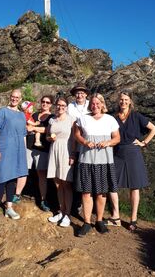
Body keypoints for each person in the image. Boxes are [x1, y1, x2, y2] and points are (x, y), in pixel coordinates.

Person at [74, 93, 120, 236]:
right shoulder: (83, 118)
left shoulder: (110, 119)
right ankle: (87, 222)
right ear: (90, 105)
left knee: (101, 192)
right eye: (93, 103)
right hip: (86, 160)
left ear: (102, 104)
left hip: (104, 161)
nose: (95, 106)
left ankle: (99, 221)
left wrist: (108, 142)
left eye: (97, 103)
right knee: (86, 192)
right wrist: (85, 142)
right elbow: (76, 134)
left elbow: (117, 138)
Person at [111, 89, 155, 231]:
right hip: (117, 152)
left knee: (134, 186)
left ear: (130, 101)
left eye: (126, 99)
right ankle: (116, 216)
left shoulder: (137, 116)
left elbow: (153, 129)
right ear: (118, 101)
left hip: (133, 152)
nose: (123, 102)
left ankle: (133, 219)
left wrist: (144, 143)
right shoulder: (113, 117)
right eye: (121, 99)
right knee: (112, 184)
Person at [0, 89, 28, 219]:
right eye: (13, 96)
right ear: (9, 97)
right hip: (5, 150)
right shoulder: (3, 111)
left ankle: (9, 208)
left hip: (18, 151)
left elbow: (23, 135)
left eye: (17, 97)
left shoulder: (22, 115)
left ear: (20, 99)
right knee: (2, 178)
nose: (14, 99)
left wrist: (24, 152)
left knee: (12, 179)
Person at [14, 95, 54, 211]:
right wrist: (29, 127)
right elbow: (26, 125)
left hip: (42, 149)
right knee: (23, 170)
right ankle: (17, 194)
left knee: (41, 174)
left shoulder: (52, 117)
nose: (45, 104)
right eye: (43, 101)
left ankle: (43, 199)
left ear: (51, 104)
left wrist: (34, 128)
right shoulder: (35, 115)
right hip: (29, 147)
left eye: (47, 102)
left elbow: (49, 130)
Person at [47, 97, 75, 227]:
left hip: (66, 151)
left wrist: (73, 154)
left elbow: (74, 139)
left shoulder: (71, 120)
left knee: (66, 183)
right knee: (57, 183)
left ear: (67, 106)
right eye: (58, 105)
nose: (60, 107)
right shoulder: (52, 119)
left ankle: (67, 214)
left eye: (63, 105)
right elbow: (47, 136)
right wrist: (49, 138)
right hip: (54, 150)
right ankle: (61, 210)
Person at [67, 83, 90, 215]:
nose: (80, 95)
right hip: (73, 142)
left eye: (82, 93)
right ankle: (75, 204)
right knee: (74, 174)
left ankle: (84, 203)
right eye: (77, 93)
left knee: (86, 173)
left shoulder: (91, 105)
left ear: (86, 94)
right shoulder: (70, 107)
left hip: (88, 142)